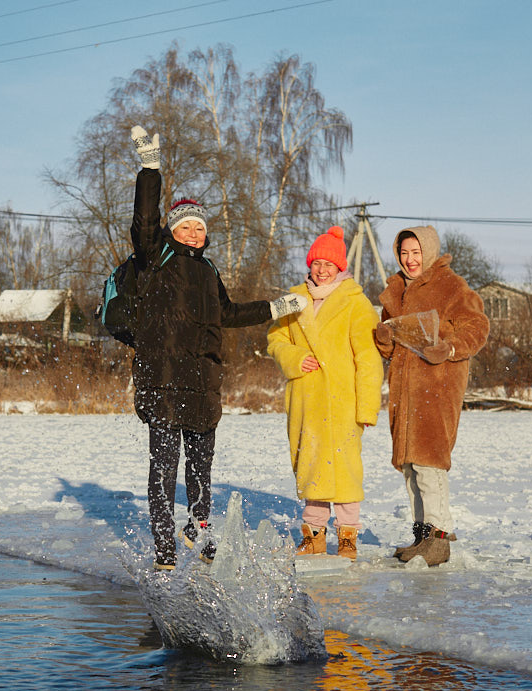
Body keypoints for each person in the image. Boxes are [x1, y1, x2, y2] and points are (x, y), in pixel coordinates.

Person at [128, 125, 308, 571]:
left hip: (203, 384)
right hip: (165, 382)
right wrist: (150, 169)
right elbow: (144, 221)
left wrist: (274, 307)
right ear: (174, 230)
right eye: (186, 226)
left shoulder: (208, 272)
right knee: (164, 469)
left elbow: (227, 315)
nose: (193, 233)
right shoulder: (157, 257)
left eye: (199, 228)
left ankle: (199, 531)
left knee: (201, 469)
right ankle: (165, 548)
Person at [373, 225, 489, 566]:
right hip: (405, 390)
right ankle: (423, 534)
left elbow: (477, 327)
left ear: (429, 251)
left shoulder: (451, 286)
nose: (410, 260)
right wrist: (383, 337)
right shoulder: (395, 289)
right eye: (405, 253)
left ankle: (440, 537)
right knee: (410, 466)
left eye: (416, 253)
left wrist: (450, 347)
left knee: (429, 462)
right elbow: (390, 345)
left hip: (437, 386)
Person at [266, 226, 383, 561]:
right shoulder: (292, 299)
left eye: (328, 264)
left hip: (343, 403)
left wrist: (367, 408)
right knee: (312, 468)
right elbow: (275, 340)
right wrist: (293, 358)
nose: (321, 269)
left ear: (340, 267)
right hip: (306, 400)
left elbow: (368, 358)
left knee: (345, 472)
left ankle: (347, 537)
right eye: (316, 262)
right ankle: (314, 536)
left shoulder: (356, 303)